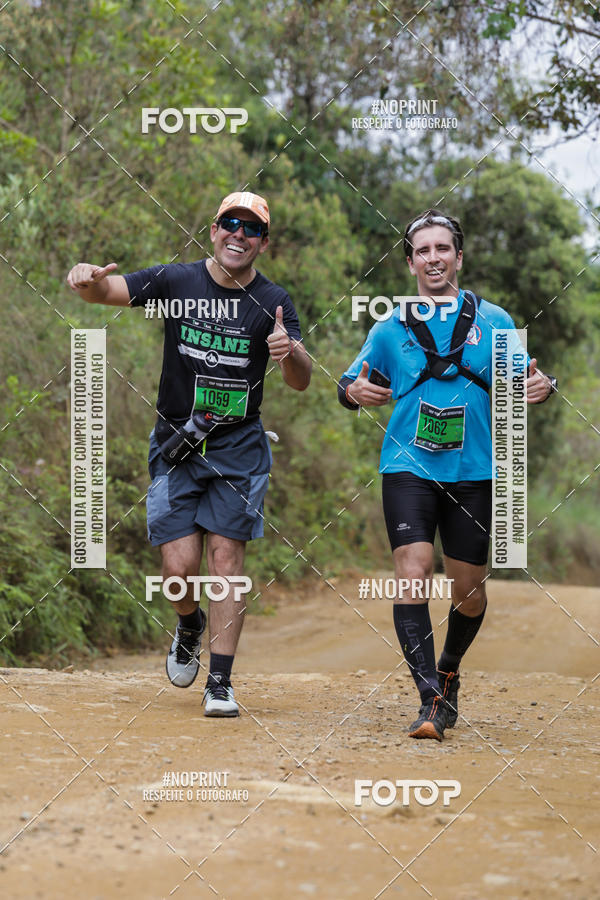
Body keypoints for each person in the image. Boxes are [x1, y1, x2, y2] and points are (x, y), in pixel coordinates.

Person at [67, 191, 311, 717]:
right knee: (179, 569)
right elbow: (105, 291)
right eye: (231, 224)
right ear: (214, 229)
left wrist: (290, 353)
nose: (239, 235)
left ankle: (219, 683)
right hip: (178, 442)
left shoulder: (273, 301)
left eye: (251, 229)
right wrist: (87, 279)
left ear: (263, 243)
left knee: (226, 559)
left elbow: (300, 380)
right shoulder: (177, 283)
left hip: (238, 448)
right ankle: (189, 623)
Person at [337, 209, 556, 741]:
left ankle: (449, 669)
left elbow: (530, 379)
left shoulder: (496, 322)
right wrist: (352, 393)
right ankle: (430, 700)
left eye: (442, 249)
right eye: (423, 250)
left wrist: (545, 385)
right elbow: (351, 382)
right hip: (407, 466)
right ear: (410, 261)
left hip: (475, 471)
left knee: (469, 591)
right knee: (412, 572)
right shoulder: (390, 327)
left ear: (458, 257)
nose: (433, 258)